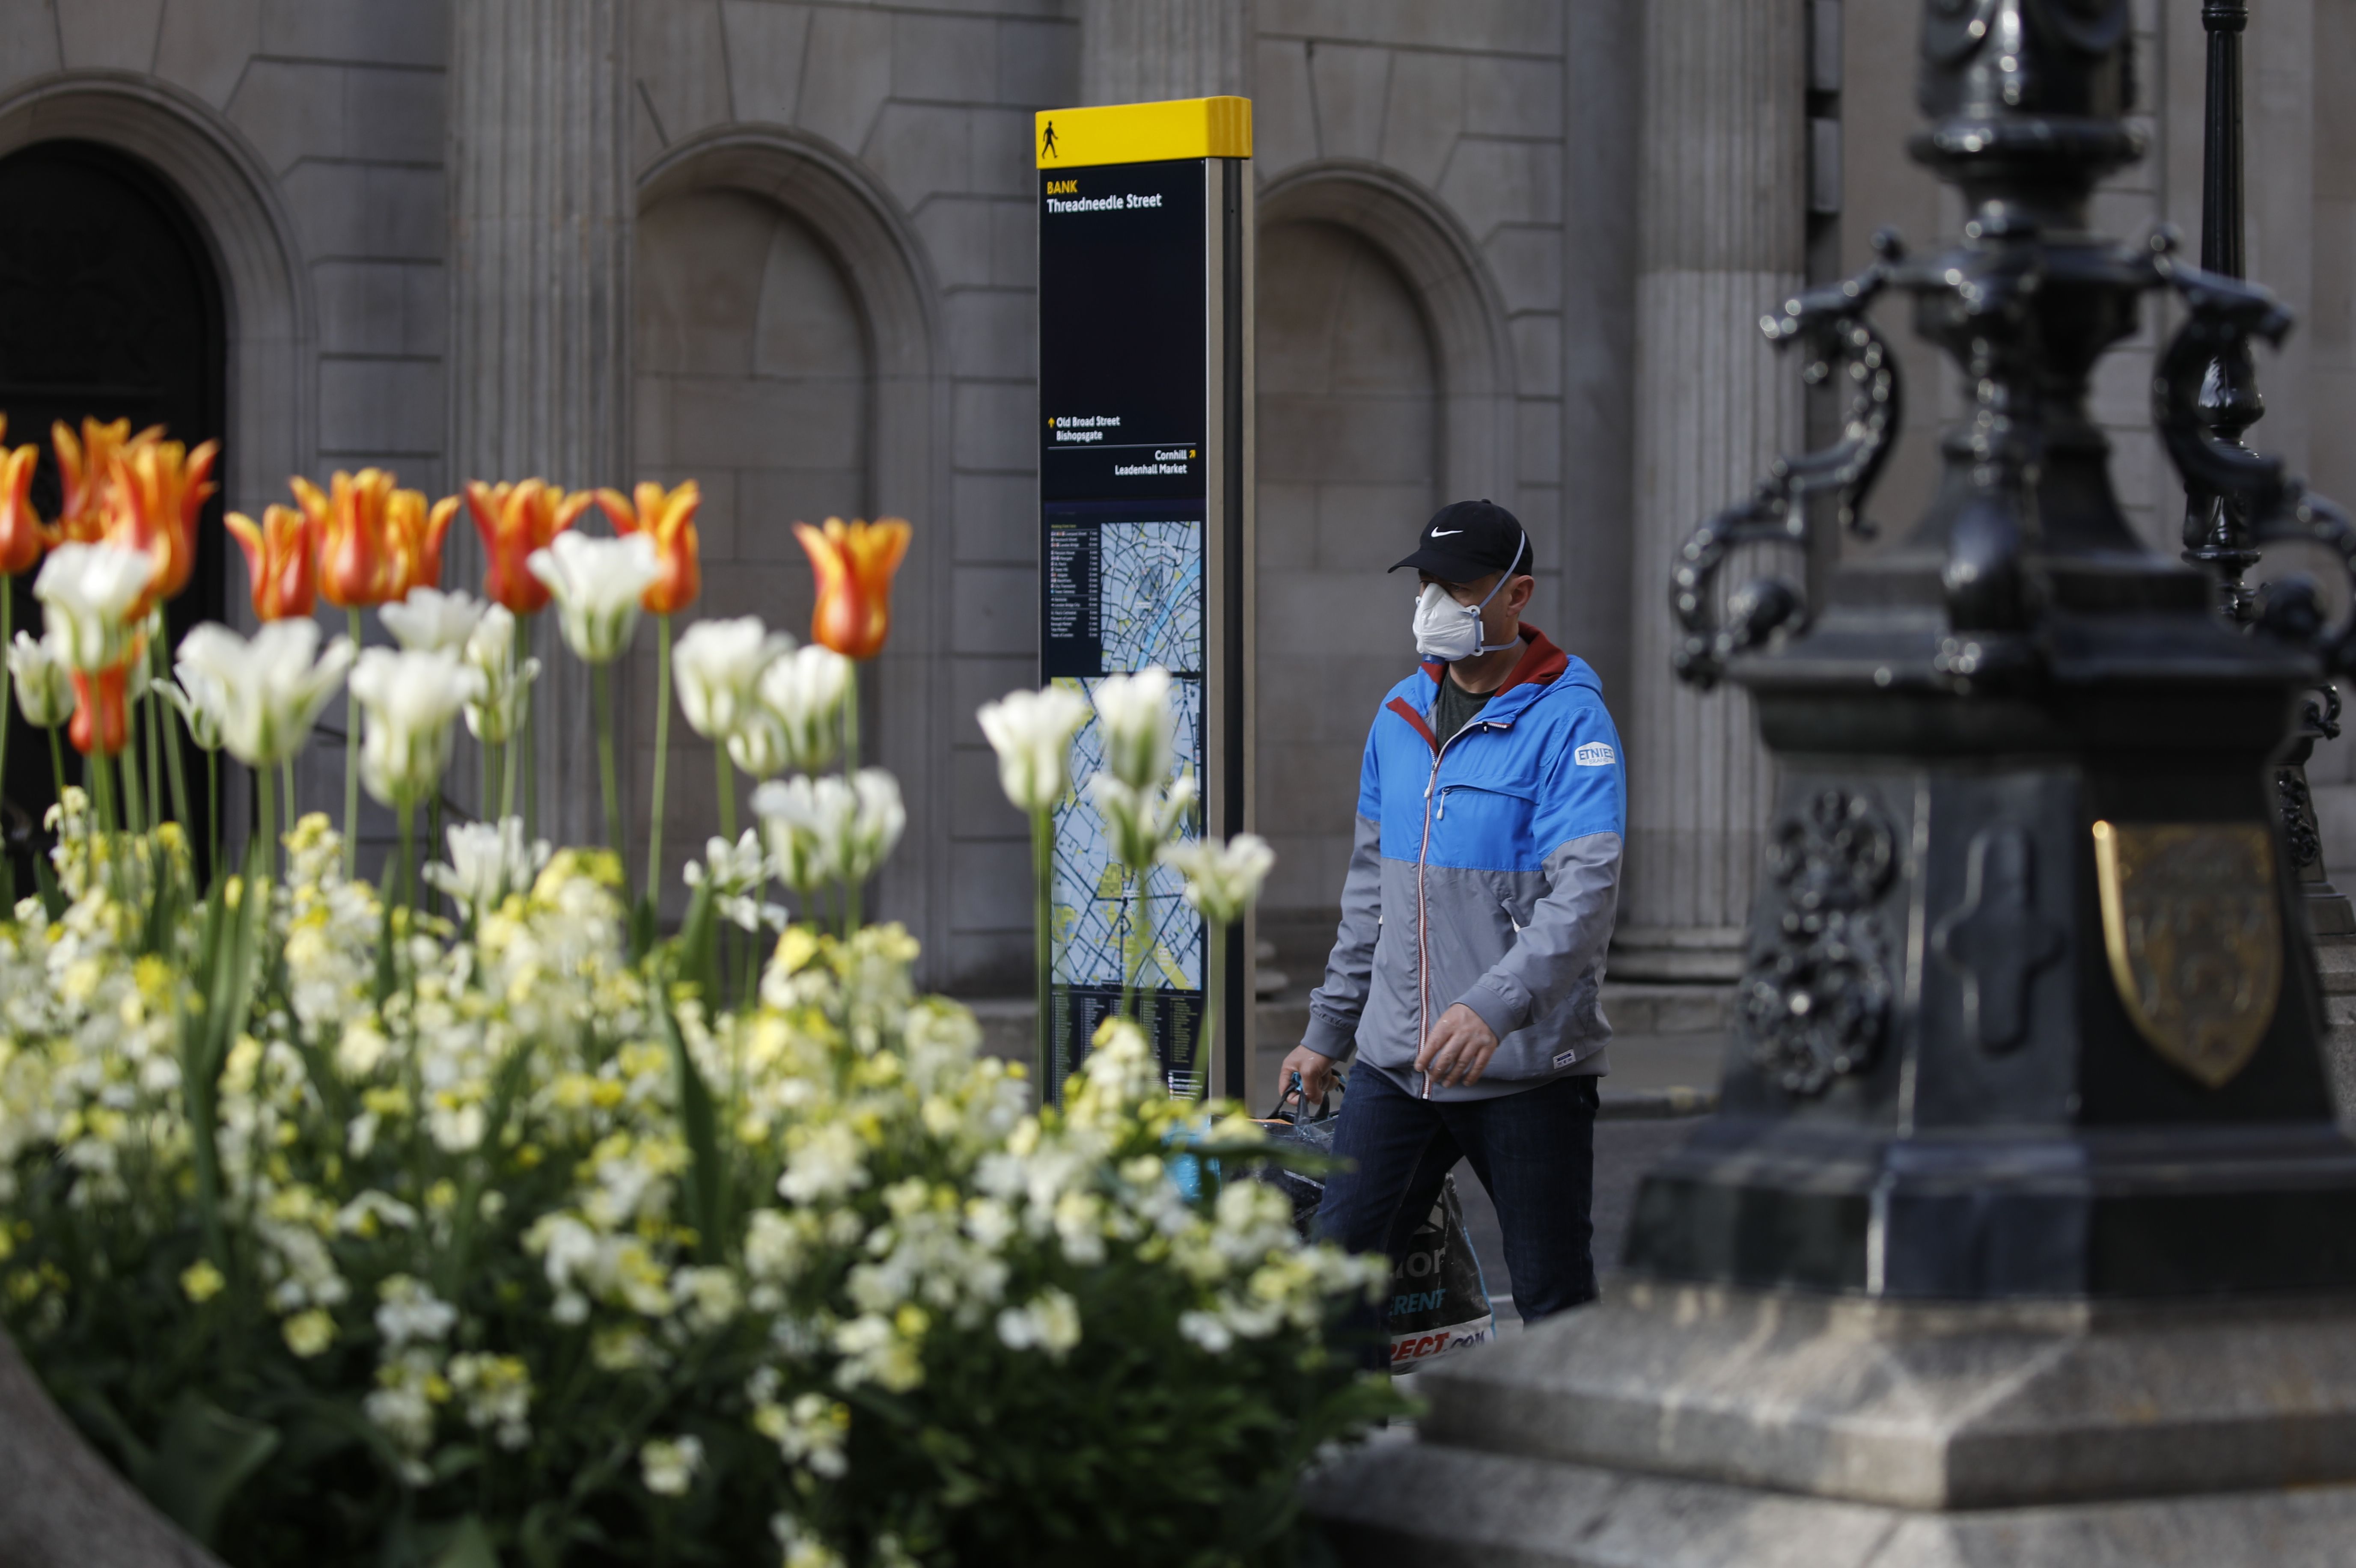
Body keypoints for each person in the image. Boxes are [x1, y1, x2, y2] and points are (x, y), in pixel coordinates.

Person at [1280, 498, 1627, 1366]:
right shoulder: (1399, 715)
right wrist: (1326, 1032)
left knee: (1551, 1299)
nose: (1436, 602)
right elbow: (1370, 894)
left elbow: (1583, 895)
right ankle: (1344, 1466)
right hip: (1397, 1063)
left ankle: (1564, 1483)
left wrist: (1493, 1006)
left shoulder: (1570, 719)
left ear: (1518, 597)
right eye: (1429, 583)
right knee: (1335, 1284)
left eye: (1461, 587)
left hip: (1520, 1068)